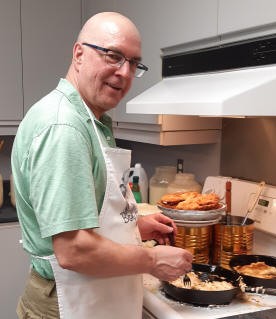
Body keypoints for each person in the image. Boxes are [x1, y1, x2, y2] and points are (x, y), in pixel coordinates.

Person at [11, 11, 193, 319]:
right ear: (79, 54)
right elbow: (74, 250)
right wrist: (151, 260)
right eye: (113, 56)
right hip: (66, 302)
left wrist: (134, 227)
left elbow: (89, 217)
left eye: (134, 63)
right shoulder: (64, 128)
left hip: (91, 294)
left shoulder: (89, 119)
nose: (125, 72)